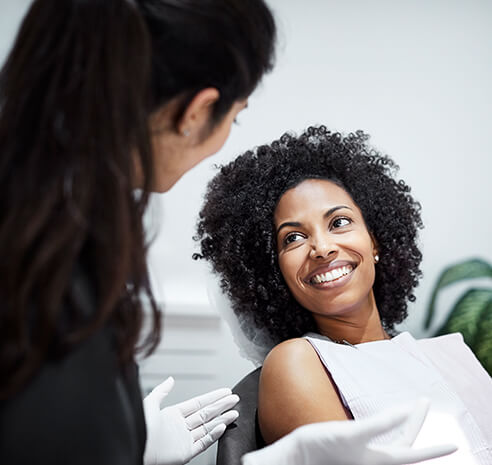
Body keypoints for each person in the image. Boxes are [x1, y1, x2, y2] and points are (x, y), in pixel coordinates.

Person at [0, 0, 458, 463]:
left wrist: (128, 444)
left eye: (339, 221)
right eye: (235, 114)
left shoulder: (50, 242)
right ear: (198, 111)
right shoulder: (56, 279)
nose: (322, 247)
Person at [195, 126, 492, 464]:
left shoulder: (449, 354)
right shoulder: (298, 362)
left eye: (338, 222)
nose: (321, 248)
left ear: (375, 240)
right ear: (274, 272)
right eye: (292, 238)